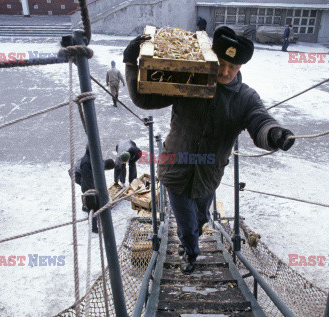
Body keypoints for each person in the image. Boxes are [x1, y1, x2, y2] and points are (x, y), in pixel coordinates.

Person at [123, 26, 295, 274]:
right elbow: (144, 98)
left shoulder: (246, 98)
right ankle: (190, 253)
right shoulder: (190, 79)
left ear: (240, 68)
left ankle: (190, 238)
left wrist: (275, 135)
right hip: (175, 168)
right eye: (221, 63)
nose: (225, 71)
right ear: (213, 58)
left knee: (201, 218)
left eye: (232, 67)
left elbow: (261, 121)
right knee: (187, 222)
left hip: (209, 175)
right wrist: (130, 62)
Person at [69, 145, 115, 232]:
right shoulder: (87, 162)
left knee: (91, 198)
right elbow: (87, 179)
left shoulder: (96, 159)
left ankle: (86, 204)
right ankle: (93, 227)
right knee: (92, 203)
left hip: (83, 175)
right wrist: (94, 190)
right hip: (76, 174)